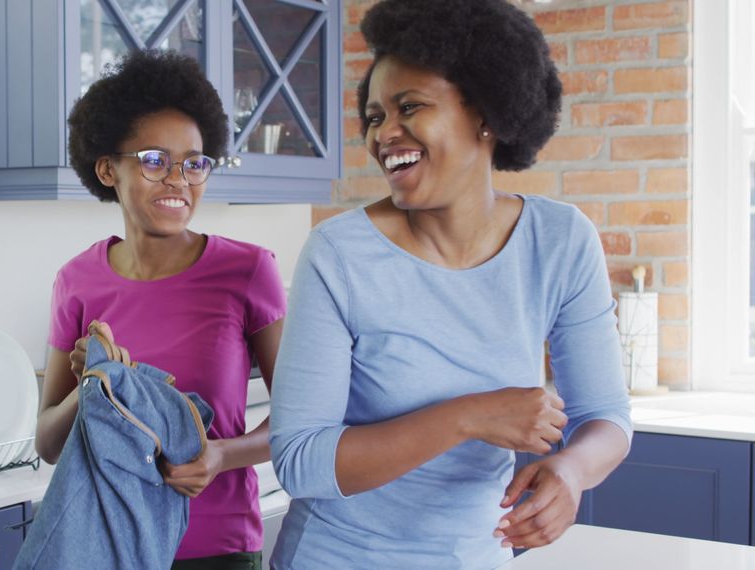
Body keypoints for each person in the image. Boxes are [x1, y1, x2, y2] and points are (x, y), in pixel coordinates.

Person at [268, 1, 632, 568]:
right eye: (372, 117)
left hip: (477, 556)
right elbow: (300, 459)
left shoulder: (560, 241)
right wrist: (469, 415)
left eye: (408, 107)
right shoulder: (339, 255)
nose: (384, 134)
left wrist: (572, 470)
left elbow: (605, 415)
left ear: (485, 114)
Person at [34, 49, 286, 569]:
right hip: (108, 550)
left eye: (195, 163)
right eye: (155, 160)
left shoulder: (248, 271)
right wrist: (99, 387)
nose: (179, 179)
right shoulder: (76, 282)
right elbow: (49, 443)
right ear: (107, 169)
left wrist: (220, 457)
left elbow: (299, 419)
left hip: (217, 549)